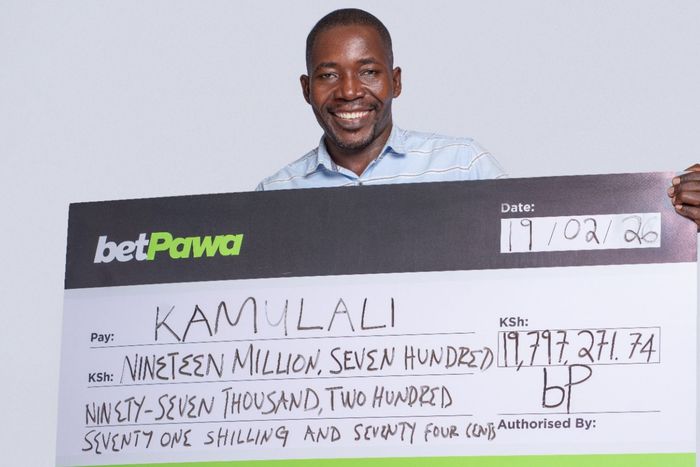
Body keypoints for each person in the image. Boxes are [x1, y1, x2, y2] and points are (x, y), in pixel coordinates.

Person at [256, 8, 700, 229]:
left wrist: (672, 210)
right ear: (306, 89)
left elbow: (541, 241)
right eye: (328, 75)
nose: (350, 90)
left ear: (396, 81)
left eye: (369, 72)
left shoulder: (463, 165)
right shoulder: (272, 197)